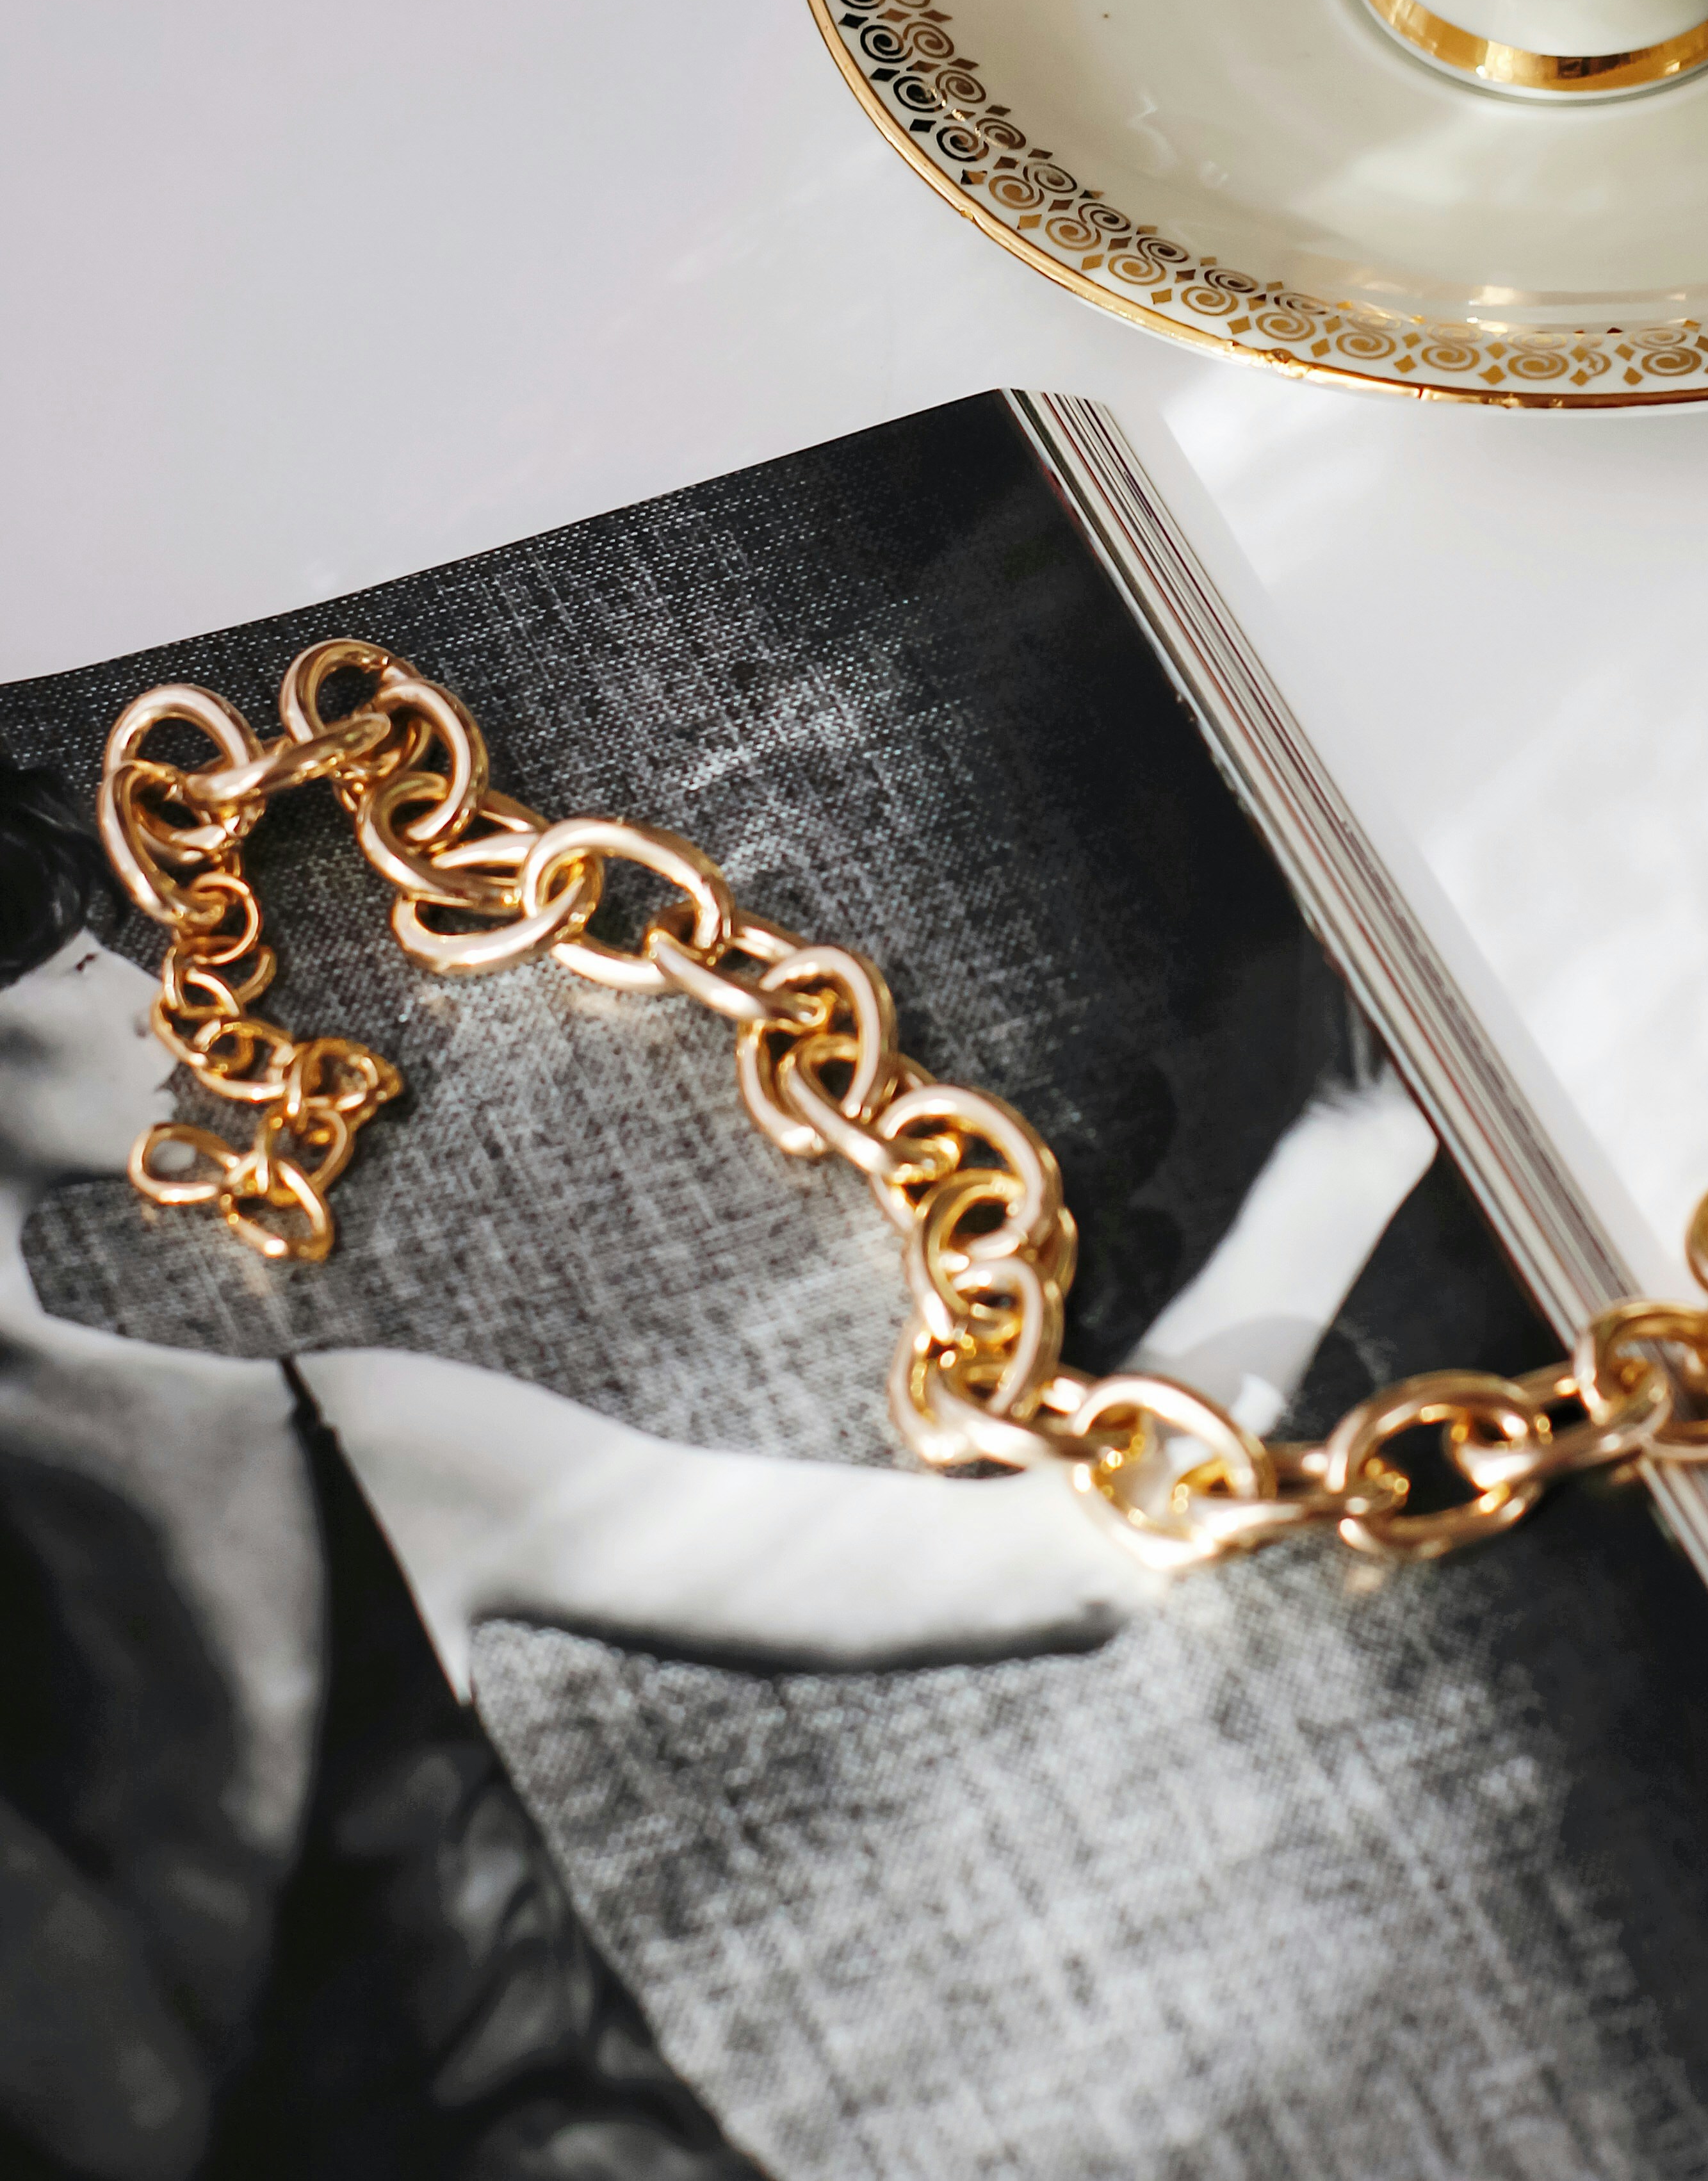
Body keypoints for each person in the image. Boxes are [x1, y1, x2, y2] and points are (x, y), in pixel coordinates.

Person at [0, 751, 1435, 2177]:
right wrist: (1348, 1148)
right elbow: (1068, 1565)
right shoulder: (350, 1449)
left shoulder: (356, 1446)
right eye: (67, 964)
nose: (149, 997)